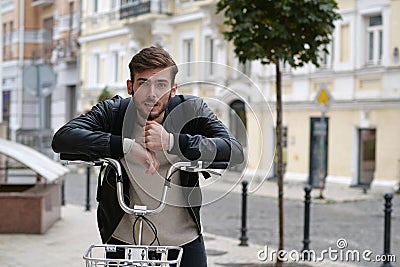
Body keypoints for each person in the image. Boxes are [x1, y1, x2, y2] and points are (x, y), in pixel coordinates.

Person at [52, 46, 244, 267]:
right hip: (124, 242)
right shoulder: (114, 113)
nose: (152, 93)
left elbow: (234, 150)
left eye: (161, 84)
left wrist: (171, 142)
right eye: (143, 83)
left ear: (173, 90)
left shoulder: (191, 111)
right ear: (130, 86)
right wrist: (126, 146)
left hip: (184, 241)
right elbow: (63, 138)